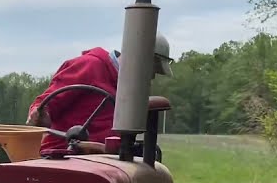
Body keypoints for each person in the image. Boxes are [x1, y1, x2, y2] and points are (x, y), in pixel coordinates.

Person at [27, 34, 173, 154]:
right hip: (63, 157)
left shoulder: (127, 89)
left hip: (103, 162)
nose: (152, 77)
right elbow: (45, 105)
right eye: (153, 70)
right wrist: (40, 113)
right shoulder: (91, 66)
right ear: (141, 59)